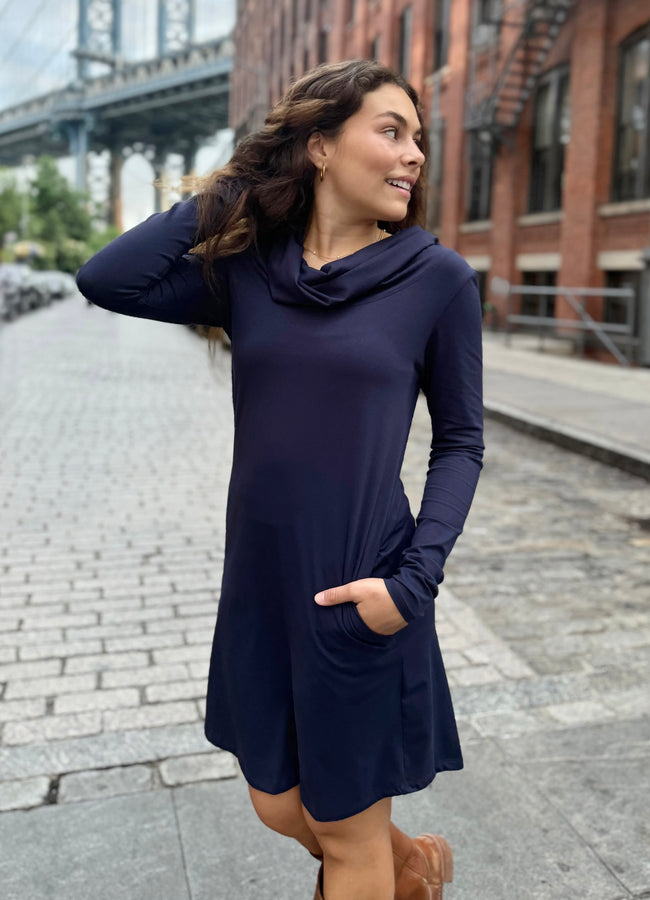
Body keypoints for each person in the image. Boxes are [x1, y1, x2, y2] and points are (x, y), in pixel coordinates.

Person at [76, 58, 484, 900]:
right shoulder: (252, 273)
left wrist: (413, 583)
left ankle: (387, 868)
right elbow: (108, 278)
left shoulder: (436, 281)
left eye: (419, 138)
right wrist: (243, 182)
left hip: (362, 581)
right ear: (321, 147)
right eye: (391, 131)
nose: (415, 154)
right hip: (261, 585)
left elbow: (460, 443)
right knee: (278, 804)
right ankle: (411, 868)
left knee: (345, 831)